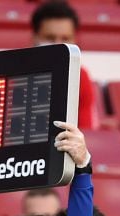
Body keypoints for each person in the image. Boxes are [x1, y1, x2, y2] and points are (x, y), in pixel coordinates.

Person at [31, 1, 99, 131]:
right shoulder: (18, 72)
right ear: (35, 37)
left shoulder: (80, 77)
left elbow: (86, 132)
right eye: (50, 37)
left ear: (74, 40)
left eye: (65, 38)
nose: (58, 44)